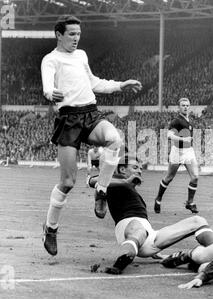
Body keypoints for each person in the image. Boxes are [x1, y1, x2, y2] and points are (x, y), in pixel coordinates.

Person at [40, 15, 142, 256]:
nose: (76, 38)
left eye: (78, 33)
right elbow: (47, 85)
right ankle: (51, 229)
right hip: (68, 120)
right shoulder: (51, 60)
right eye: (72, 34)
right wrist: (50, 93)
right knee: (67, 182)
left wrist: (120, 85)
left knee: (115, 139)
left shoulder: (82, 55)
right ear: (59, 35)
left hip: (90, 113)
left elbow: (93, 82)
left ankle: (102, 190)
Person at [87, 154, 213, 274]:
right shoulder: (113, 181)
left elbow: (101, 211)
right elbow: (92, 181)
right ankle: (120, 263)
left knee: (198, 221)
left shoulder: (130, 190)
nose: (139, 170)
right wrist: (111, 190)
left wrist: (153, 252)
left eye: (140, 168)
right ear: (122, 170)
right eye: (135, 167)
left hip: (150, 236)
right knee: (138, 227)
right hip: (129, 229)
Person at [154, 98, 199, 214]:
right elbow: (169, 135)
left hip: (188, 151)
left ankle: (190, 203)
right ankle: (158, 199)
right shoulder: (176, 121)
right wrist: (182, 139)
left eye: (187, 105)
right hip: (177, 151)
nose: (185, 107)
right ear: (179, 107)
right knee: (169, 178)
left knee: (195, 177)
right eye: (183, 105)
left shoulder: (189, 119)